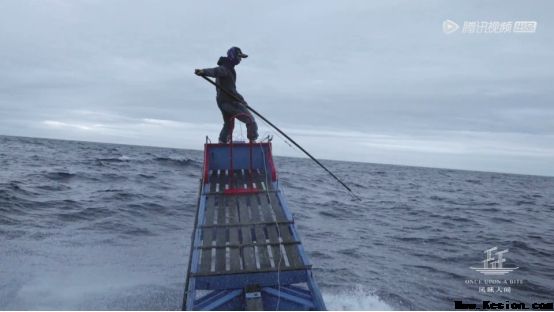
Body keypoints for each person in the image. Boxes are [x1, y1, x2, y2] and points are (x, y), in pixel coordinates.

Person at [195, 47, 258, 143]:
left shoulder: (228, 68)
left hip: (222, 102)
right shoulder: (226, 68)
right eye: (239, 56)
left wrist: (242, 100)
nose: (240, 59)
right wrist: (203, 71)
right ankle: (252, 142)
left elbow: (231, 89)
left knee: (228, 124)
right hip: (229, 102)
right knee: (250, 120)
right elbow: (215, 71)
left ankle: (222, 142)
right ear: (233, 56)